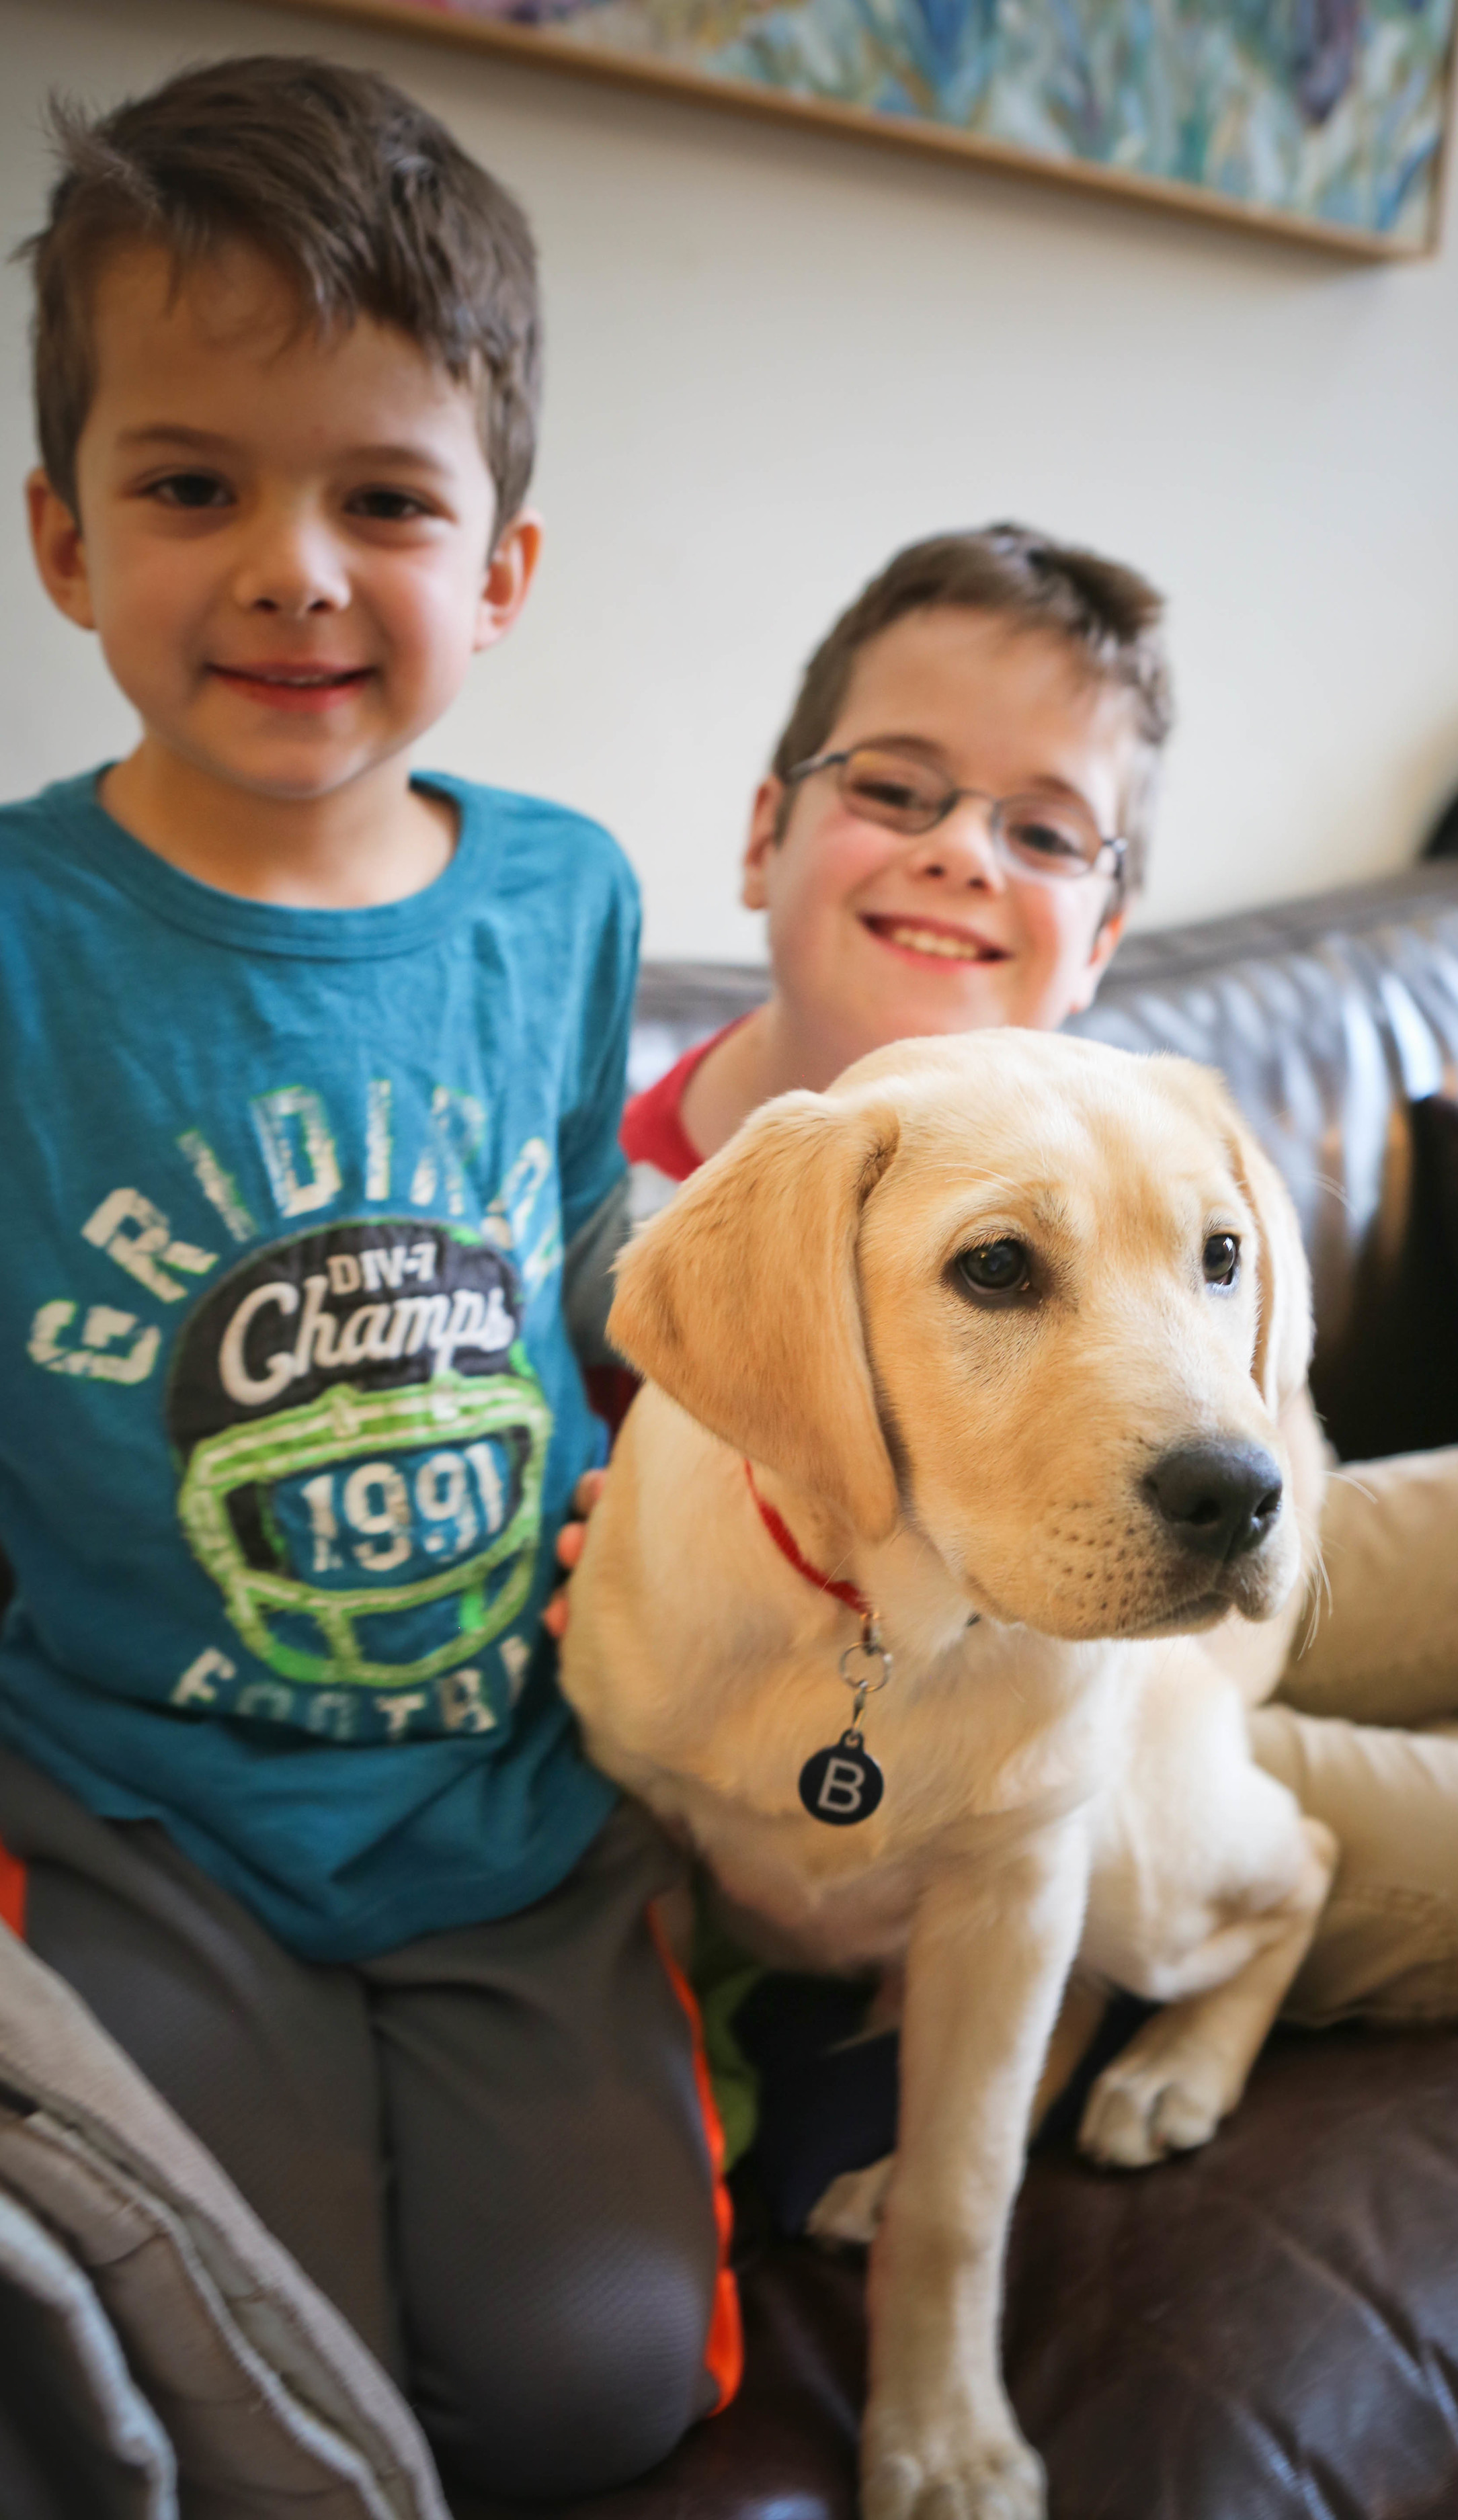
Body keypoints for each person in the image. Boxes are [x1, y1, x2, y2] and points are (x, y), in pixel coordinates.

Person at [0, 56, 737, 2503]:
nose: (295, 566)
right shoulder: (14, 940)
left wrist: (654, 1518)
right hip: (144, 1808)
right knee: (257, 2386)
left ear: (500, 570)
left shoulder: (565, 900)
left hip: (508, 1802)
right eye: (195, 484)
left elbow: (588, 1276)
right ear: (64, 541)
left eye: (386, 499)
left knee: (599, 2379)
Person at [576, 521, 1458, 2047]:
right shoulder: (609, 1211)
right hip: (1038, 1664)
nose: (964, 849)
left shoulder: (1145, 1120)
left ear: (1099, 934)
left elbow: (1251, 1397)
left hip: (1255, 1527)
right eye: (895, 789)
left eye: (1042, 833)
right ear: (765, 834)